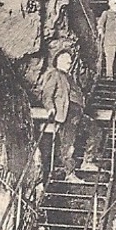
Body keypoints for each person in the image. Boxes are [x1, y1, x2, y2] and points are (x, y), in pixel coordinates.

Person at [41, 50, 99, 184]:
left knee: (95, 131)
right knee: (68, 145)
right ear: (58, 60)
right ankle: (70, 174)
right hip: (66, 114)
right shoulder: (54, 74)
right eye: (66, 60)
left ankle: (87, 161)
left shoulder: (70, 77)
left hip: (77, 113)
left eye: (70, 60)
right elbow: (47, 94)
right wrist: (50, 108)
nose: (69, 62)